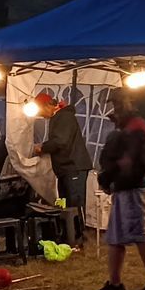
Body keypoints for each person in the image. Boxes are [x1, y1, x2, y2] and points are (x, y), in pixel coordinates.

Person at [92, 91, 145, 290]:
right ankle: (115, 284)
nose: (115, 107)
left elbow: (128, 160)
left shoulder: (136, 126)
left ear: (129, 102)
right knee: (115, 237)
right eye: (114, 103)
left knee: (140, 235)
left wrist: (112, 174)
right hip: (123, 188)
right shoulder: (126, 127)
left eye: (118, 103)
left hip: (134, 188)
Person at [31, 91, 92, 235]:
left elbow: (61, 141)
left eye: (40, 111)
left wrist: (43, 147)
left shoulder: (64, 116)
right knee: (65, 202)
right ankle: (69, 233)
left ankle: (78, 235)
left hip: (73, 167)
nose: (41, 116)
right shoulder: (58, 118)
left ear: (47, 106)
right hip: (65, 169)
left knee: (74, 202)